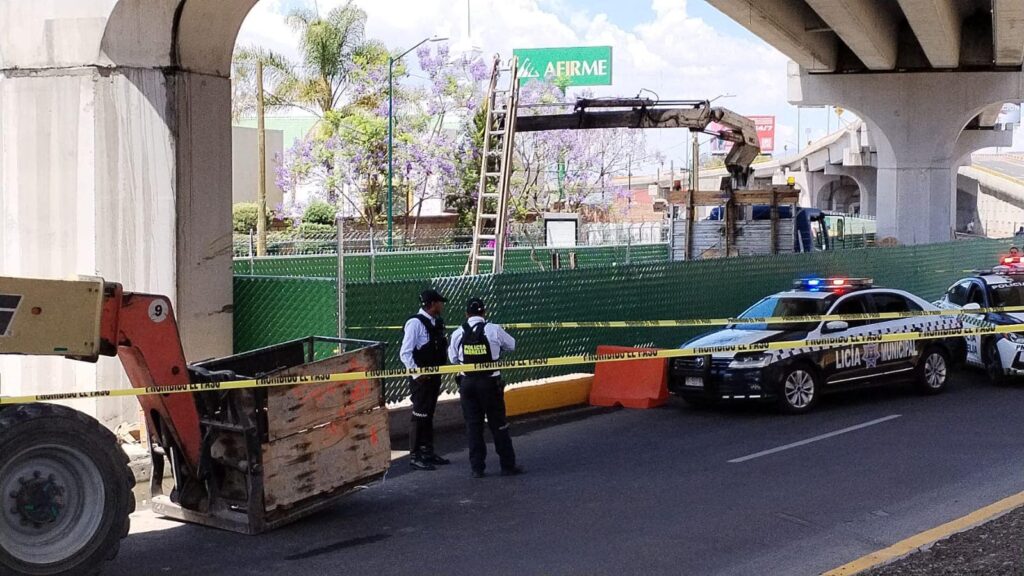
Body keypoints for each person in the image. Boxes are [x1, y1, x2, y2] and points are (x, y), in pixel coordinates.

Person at [448, 297, 522, 479]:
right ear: (484, 312)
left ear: (467, 314)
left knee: (473, 426)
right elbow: (512, 345)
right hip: (490, 384)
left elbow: (453, 359)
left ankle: (477, 468)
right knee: (499, 425)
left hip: (467, 385)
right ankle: (507, 465)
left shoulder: (458, 333)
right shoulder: (493, 329)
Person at [400, 289, 451, 471]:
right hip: (422, 379)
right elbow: (405, 353)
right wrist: (417, 374)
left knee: (428, 414)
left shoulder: (435, 323)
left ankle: (427, 451)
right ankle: (415, 455)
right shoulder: (415, 323)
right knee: (419, 414)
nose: (442, 305)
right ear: (431, 304)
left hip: (434, 376)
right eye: (439, 302)